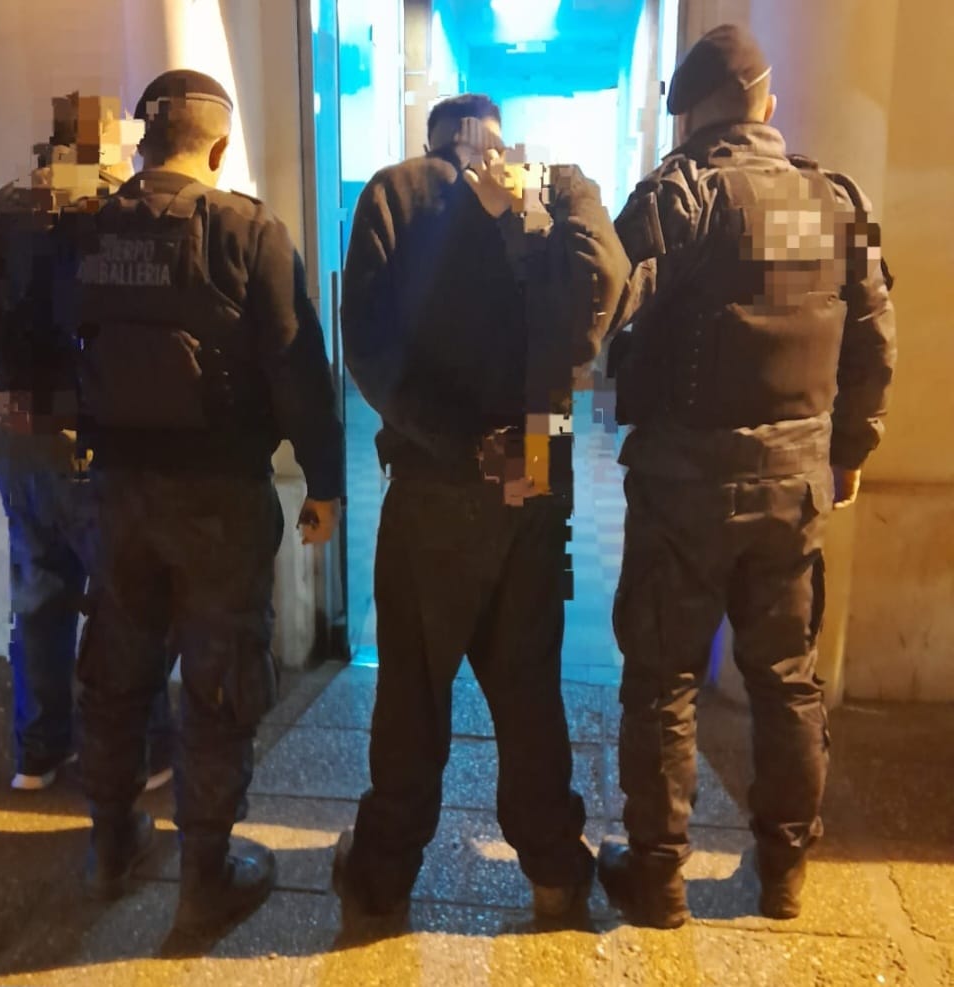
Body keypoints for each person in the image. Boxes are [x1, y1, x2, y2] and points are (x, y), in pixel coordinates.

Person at [597, 24, 897, 928]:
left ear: (691, 114)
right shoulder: (833, 201)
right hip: (793, 486)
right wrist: (849, 452)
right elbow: (873, 341)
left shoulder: (680, 196)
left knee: (663, 679)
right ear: (766, 103)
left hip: (683, 488)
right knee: (787, 679)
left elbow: (601, 299)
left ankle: (657, 875)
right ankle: (784, 871)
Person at [334, 93, 630, 919]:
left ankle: (382, 874)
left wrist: (451, 439)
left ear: (434, 139)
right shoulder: (553, 189)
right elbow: (606, 287)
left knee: (413, 690)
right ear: (496, 137)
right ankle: (554, 869)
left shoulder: (395, 192)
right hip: (536, 470)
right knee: (529, 682)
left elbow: (367, 349)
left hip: (435, 484)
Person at [63, 70, 343, 938]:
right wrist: (325, 483)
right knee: (220, 683)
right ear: (218, 147)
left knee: (116, 672)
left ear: (142, 142)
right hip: (219, 501)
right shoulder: (248, 232)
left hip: (114, 495)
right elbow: (298, 372)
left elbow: (42, 345)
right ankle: (204, 875)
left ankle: (111, 845)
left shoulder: (83, 229)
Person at [0, 93, 175, 792]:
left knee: (37, 594)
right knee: (127, 599)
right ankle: (139, 751)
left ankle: (38, 753)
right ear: (106, 144)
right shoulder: (113, 214)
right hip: (97, 441)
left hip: (14, 440)